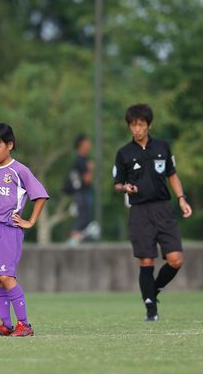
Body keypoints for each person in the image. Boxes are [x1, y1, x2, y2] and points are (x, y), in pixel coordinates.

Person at [112, 104, 192, 322]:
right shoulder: (124, 153)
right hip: (139, 211)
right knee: (146, 261)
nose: (137, 129)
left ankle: (152, 291)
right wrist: (125, 188)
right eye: (133, 125)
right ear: (129, 126)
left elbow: (172, 175)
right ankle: (151, 311)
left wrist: (182, 199)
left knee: (176, 259)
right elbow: (117, 183)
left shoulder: (162, 147)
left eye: (141, 124)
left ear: (149, 125)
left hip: (163, 209)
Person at [0, 122, 49, 337]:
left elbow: (40, 195)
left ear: (10, 145)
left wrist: (30, 221)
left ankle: (24, 324)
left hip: (8, 229)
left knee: (6, 276)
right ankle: (5, 325)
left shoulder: (19, 170)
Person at [65, 134, 95, 245]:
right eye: (87, 142)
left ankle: (77, 238)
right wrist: (90, 169)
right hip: (82, 192)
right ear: (82, 144)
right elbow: (87, 179)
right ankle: (73, 239)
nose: (89, 144)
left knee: (84, 215)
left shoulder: (79, 159)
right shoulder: (81, 161)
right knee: (83, 215)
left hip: (79, 192)